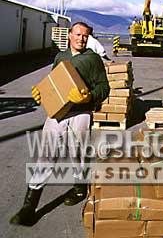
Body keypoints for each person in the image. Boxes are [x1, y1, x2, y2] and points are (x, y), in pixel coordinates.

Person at [10, 21, 110, 226]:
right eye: (77, 34)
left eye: (85, 35)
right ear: (70, 35)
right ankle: (29, 205)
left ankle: (79, 188)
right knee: (46, 154)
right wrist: (41, 93)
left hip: (80, 114)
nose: (81, 38)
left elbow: (104, 88)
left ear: (89, 38)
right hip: (56, 114)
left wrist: (88, 97)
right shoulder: (60, 57)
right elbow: (54, 82)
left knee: (78, 153)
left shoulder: (93, 59)